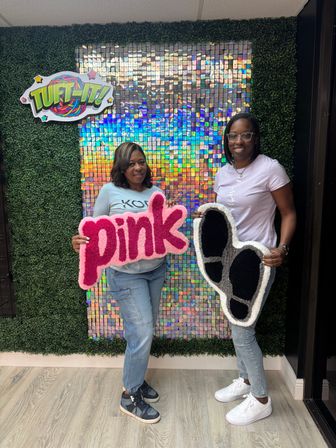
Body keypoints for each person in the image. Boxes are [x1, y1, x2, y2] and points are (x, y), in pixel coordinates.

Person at [196, 112, 296, 425]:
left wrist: (281, 249)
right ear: (226, 139)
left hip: (258, 260)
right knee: (234, 322)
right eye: (233, 136)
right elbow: (222, 215)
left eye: (246, 135)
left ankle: (261, 399)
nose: (239, 141)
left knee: (242, 329)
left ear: (255, 137)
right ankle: (246, 380)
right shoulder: (223, 173)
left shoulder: (270, 168)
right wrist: (206, 214)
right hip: (228, 261)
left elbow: (289, 213)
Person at [72, 142, 169, 424]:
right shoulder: (109, 191)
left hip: (156, 270)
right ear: (121, 168)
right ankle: (130, 395)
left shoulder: (156, 193)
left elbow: (162, 230)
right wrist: (78, 241)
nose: (137, 167)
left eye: (141, 162)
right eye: (130, 164)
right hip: (126, 274)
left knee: (139, 332)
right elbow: (93, 229)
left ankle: (135, 380)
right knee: (142, 332)